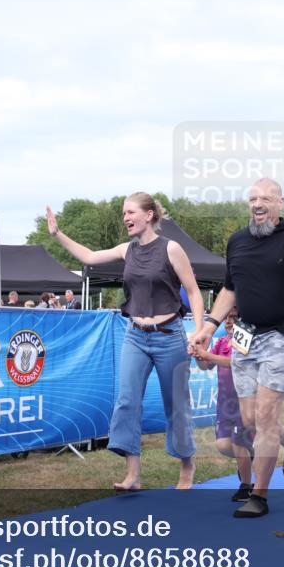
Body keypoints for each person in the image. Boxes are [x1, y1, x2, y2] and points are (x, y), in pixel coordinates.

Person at [47, 192, 205, 490]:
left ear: (149, 215)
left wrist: (198, 331)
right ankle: (133, 475)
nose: (125, 218)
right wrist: (58, 235)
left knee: (177, 405)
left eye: (130, 212)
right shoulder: (126, 250)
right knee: (127, 401)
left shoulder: (171, 249)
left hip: (170, 336)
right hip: (135, 335)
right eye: (123, 214)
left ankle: (186, 467)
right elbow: (90, 257)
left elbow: (194, 292)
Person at [193, 178, 284, 518]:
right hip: (245, 338)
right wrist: (209, 327)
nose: (257, 203)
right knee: (251, 420)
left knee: (265, 417)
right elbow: (229, 289)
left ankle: (260, 496)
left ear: (280, 203)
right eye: (252, 198)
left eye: (265, 198)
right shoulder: (236, 241)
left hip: (283, 335)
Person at [194, 307, 254, 502]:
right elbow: (205, 366)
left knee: (238, 444)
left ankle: (246, 486)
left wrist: (208, 355)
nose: (228, 322)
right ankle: (251, 454)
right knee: (222, 445)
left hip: (243, 401)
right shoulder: (221, 342)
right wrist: (199, 355)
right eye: (226, 318)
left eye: (234, 318)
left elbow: (234, 362)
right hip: (224, 403)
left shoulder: (245, 342)